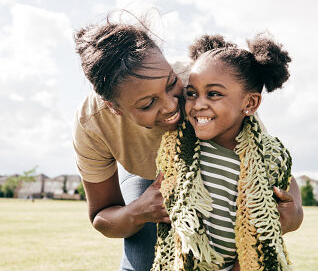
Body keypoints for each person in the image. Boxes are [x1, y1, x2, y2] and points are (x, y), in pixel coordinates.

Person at [72, 18, 303, 271]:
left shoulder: (204, 83)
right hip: (148, 176)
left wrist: (294, 212)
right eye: (148, 103)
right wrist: (139, 210)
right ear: (114, 107)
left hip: (208, 181)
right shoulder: (92, 122)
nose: (172, 106)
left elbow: (263, 168)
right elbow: (101, 216)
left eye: (172, 85)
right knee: (142, 258)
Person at [152, 34, 303, 270]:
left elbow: (285, 186)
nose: (198, 104)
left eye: (213, 94)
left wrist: (297, 212)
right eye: (191, 93)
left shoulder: (264, 154)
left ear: (250, 103)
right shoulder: (180, 149)